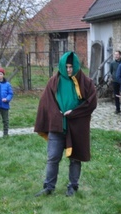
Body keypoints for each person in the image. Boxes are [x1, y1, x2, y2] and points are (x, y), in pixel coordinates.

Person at [34, 51, 98, 197]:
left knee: (75, 158)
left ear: (75, 66)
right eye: (66, 67)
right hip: (57, 126)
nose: (68, 70)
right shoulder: (54, 81)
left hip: (77, 127)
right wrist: (57, 114)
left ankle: (73, 187)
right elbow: (46, 103)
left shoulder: (85, 82)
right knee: (53, 157)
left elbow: (91, 103)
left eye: (71, 67)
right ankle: (49, 187)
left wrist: (74, 113)